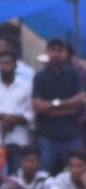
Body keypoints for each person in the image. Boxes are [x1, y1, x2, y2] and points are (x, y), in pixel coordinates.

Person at [29, 36, 84, 171]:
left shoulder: (74, 75)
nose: (56, 54)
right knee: (44, 175)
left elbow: (80, 101)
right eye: (52, 50)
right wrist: (66, 105)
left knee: (76, 173)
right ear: (47, 52)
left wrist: (51, 106)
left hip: (71, 134)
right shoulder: (40, 77)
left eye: (60, 50)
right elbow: (37, 107)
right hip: (47, 136)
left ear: (65, 53)